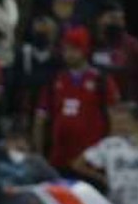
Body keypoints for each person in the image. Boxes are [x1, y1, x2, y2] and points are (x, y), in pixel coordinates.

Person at [33, 27, 120, 174]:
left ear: (85, 50)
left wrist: (109, 153)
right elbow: (40, 118)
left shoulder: (101, 80)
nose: (69, 54)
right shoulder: (54, 80)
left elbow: (115, 118)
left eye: (74, 49)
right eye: (66, 49)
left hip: (91, 160)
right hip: (58, 158)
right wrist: (39, 154)